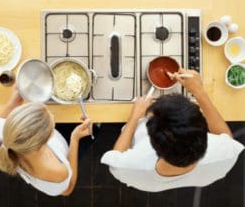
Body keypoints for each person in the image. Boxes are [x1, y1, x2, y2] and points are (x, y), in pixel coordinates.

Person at [101, 68, 244, 192]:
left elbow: (116, 153)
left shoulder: (127, 168)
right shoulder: (226, 155)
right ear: (204, 132)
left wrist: (133, 118)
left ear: (152, 142)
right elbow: (225, 136)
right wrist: (199, 92)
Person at [0, 88, 92, 196]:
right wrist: (75, 139)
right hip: (66, 147)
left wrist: (12, 103)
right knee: (95, 129)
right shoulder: (54, 171)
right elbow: (68, 190)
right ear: (44, 142)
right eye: (52, 126)